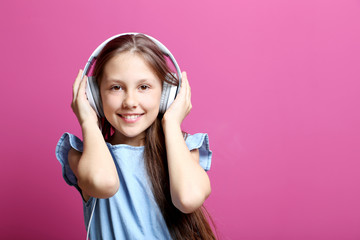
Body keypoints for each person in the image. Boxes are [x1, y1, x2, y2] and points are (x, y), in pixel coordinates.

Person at [56, 33, 216, 239]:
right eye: (116, 87)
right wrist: (88, 121)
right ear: (94, 95)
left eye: (144, 87)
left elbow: (188, 198)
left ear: (167, 94)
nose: (130, 101)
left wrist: (172, 123)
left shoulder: (185, 152)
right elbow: (102, 181)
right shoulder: (82, 157)